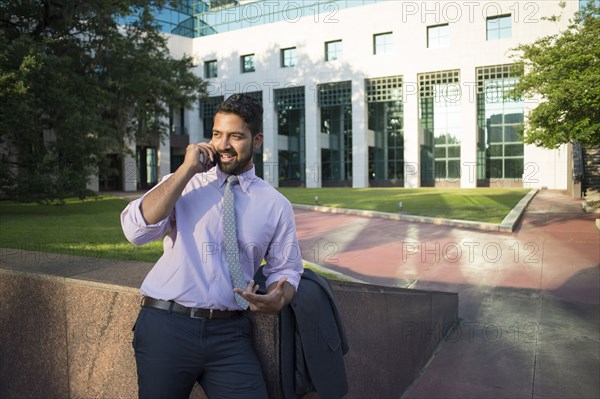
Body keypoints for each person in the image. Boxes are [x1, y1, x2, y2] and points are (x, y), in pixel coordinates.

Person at [120, 93, 304, 399]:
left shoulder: (275, 205)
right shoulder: (184, 182)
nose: (223, 144)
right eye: (217, 134)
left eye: (235, 136)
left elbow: (286, 268)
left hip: (230, 334)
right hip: (167, 325)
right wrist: (185, 171)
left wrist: (279, 297)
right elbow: (135, 232)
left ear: (256, 140)